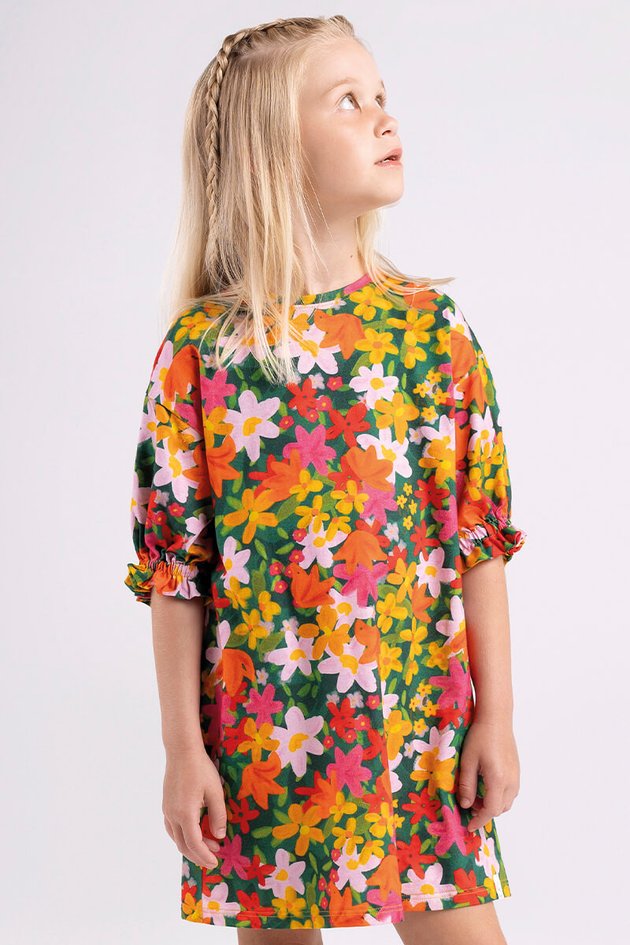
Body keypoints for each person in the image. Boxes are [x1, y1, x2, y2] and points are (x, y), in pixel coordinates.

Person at [123, 14, 527, 945]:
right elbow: (177, 571)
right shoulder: (202, 355)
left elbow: (478, 541)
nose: (385, 116)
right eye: (349, 101)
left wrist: (497, 718)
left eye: (381, 95)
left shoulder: (431, 333)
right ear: (274, 145)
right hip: (265, 740)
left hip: (417, 730)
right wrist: (182, 749)